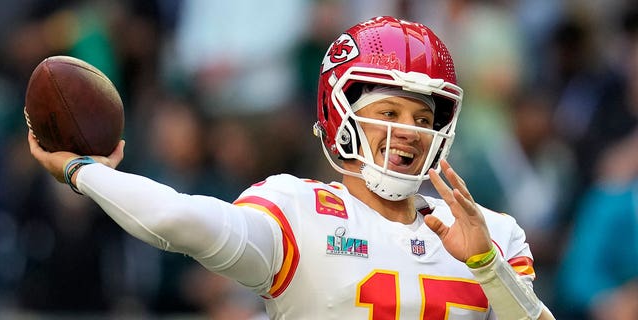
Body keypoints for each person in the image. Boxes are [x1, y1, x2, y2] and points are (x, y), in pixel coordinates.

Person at [28, 16, 555, 319]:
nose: (409, 132)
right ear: (340, 115)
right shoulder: (299, 211)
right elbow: (179, 221)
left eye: (422, 117)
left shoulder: (493, 233)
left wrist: (487, 264)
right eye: (389, 113)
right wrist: (83, 171)